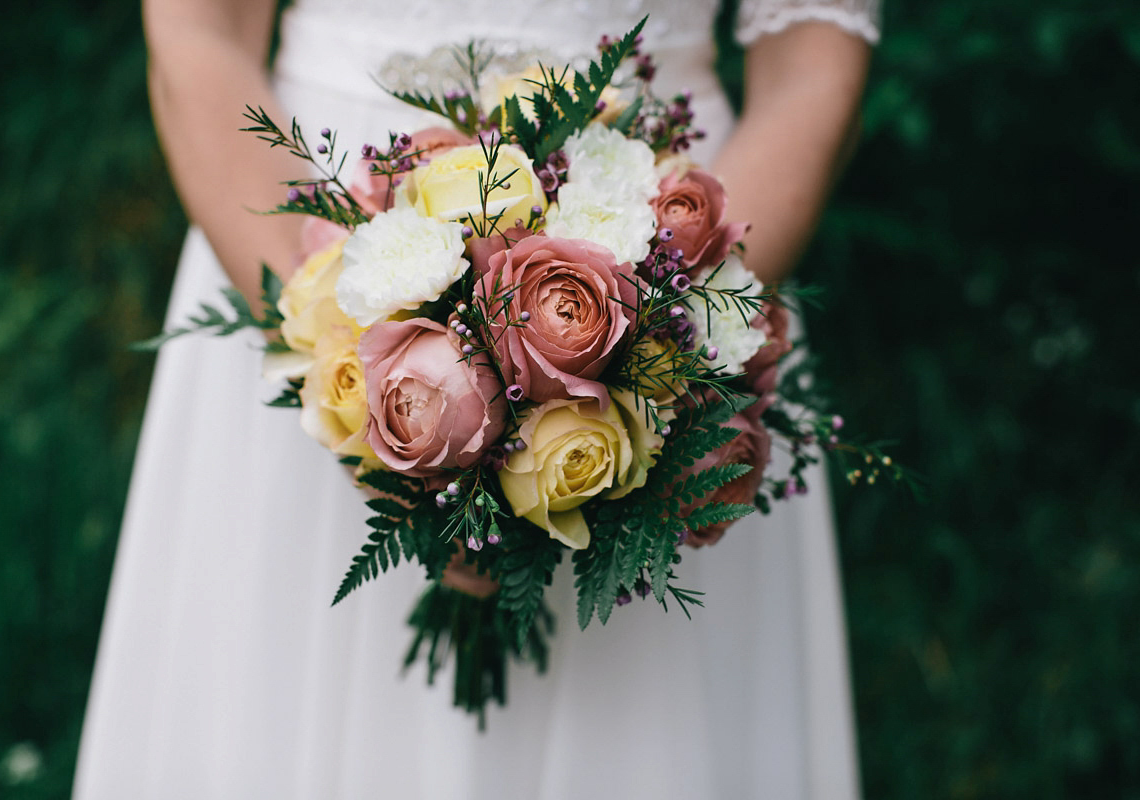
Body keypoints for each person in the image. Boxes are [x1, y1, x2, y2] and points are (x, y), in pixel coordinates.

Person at [74, 0, 879, 797]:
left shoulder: (672, 314)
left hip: (674, 238)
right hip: (312, 219)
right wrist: (346, 353)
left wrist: (659, 335)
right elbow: (196, 30)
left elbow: (812, 61)